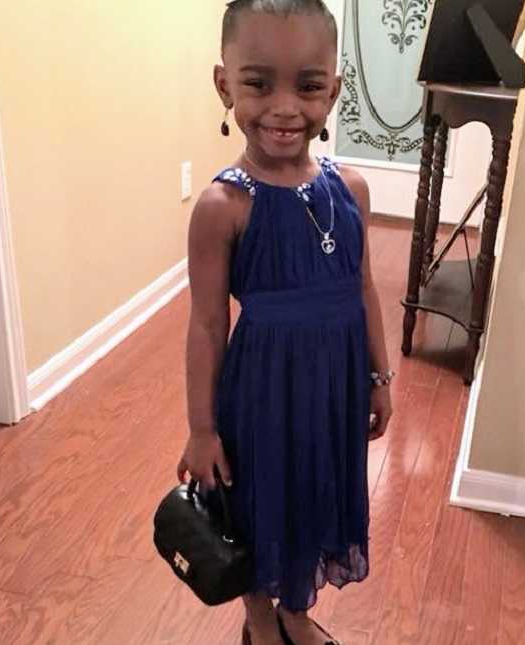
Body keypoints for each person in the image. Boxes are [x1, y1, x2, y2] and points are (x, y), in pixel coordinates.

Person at [176, 1, 393, 643]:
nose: (284, 107)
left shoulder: (350, 190)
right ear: (225, 85)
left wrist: (379, 378)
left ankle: (297, 611)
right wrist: (199, 429)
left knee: (312, 496)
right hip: (261, 391)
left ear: (334, 89)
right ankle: (258, 618)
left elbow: (364, 290)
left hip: (333, 388)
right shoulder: (222, 207)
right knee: (258, 501)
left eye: (307, 85)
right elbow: (207, 325)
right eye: (258, 82)